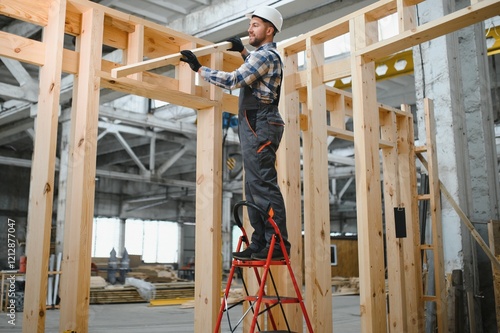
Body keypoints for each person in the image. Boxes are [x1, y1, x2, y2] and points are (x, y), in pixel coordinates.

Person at [180, 6, 290, 261]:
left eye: (255, 25)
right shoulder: (259, 57)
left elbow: (234, 81)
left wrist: (199, 70)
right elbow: (255, 77)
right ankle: (260, 242)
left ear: (269, 30)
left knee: (263, 185)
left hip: (260, 122)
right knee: (253, 188)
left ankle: (276, 245)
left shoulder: (267, 56)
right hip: (255, 122)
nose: (249, 29)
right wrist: (242, 51)